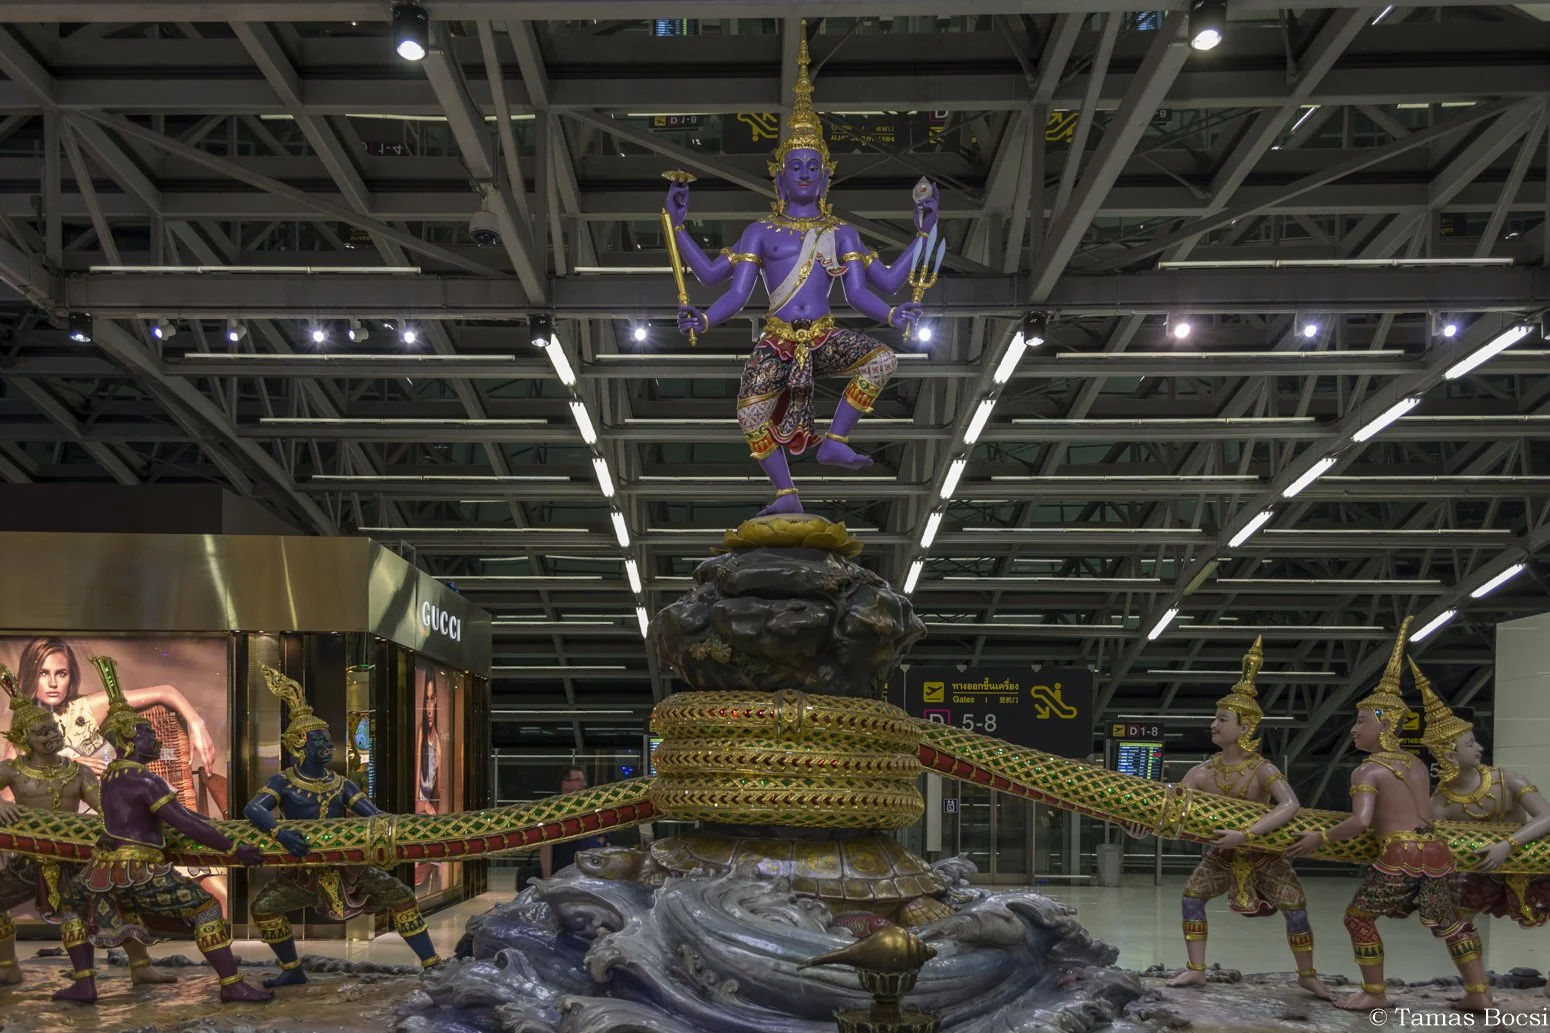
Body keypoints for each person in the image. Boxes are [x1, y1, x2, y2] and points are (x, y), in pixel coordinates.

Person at [666, 27, 927, 518]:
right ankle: (786, 492)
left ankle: (836, 441)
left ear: (826, 176)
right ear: (779, 176)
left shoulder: (840, 231)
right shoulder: (760, 231)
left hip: (825, 336)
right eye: (796, 166)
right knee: (750, 413)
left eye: (813, 166)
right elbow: (720, 283)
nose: (804, 173)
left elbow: (877, 287)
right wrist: (679, 232)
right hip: (778, 339)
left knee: (882, 360)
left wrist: (921, 241)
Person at [1286, 618, 1490, 1013]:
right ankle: (1479, 992)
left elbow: (1361, 822)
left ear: (1386, 722)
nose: (1353, 730)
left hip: (1400, 857)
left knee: (1358, 918)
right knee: (1450, 922)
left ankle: (1374, 991)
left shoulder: (1367, 771)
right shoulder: (1416, 764)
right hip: (1437, 853)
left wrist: (1319, 838)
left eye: (1361, 721)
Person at [52, 655, 271, 1005]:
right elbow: (183, 821)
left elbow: (172, 819)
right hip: (138, 871)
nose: (154, 738)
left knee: (71, 906)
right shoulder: (145, 780)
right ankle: (231, 983)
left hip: (100, 872)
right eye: (147, 733)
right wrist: (233, 849)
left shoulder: (111, 777)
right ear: (129, 741)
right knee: (206, 908)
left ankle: (86, 983)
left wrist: (222, 830)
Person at [1127, 638, 1330, 998]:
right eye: (1215, 718)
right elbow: (1173, 812)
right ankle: (1196, 970)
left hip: (1264, 854)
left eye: (1222, 720)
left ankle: (1307, 974)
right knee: (1192, 898)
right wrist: (1142, 829)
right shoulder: (1200, 773)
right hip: (1222, 855)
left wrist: (1246, 834)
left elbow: (1290, 805)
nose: (1213, 724)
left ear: (1245, 727)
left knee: (1296, 907)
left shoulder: (1262, 769)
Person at [243, 665, 440, 987]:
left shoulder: (341, 783)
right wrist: (281, 833)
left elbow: (373, 814)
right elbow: (253, 808)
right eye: (320, 740)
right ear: (300, 744)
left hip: (348, 868)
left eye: (328, 739)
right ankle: (292, 968)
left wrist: (407, 826)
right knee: (263, 908)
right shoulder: (283, 782)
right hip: (302, 869)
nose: (327, 745)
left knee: (402, 896)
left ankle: (432, 964)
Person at [0, 668, 173, 986]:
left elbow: (105, 809)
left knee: (118, 902)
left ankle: (139, 966)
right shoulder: (12, 770)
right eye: (42, 733)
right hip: (29, 859)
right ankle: (8, 965)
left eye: (54, 729)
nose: (52, 736)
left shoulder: (78, 773)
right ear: (24, 739)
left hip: (75, 856)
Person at [1418, 656, 1550, 994]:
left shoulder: (1507, 780)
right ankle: (1477, 989)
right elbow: (1429, 836)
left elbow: (1547, 816)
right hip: (1480, 867)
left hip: (1529, 859)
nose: (1479, 748)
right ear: (1449, 756)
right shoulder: (1441, 801)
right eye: (1470, 744)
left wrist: (1508, 845)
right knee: (1454, 918)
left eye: (1475, 742)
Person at [3, 637, 217, 778]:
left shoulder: (87, 708)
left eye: (61, 673)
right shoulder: (20, 730)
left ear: (71, 676)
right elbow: (10, 799)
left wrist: (196, 723)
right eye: (43, 673)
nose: (52, 683)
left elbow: (165, 691)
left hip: (106, 814)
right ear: (30, 676)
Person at [539, 767, 608, 879]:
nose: (583, 784)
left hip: (588, 872)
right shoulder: (554, 811)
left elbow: (602, 831)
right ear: (565, 784)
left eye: (583, 780)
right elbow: (546, 846)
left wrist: (598, 842)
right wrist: (547, 877)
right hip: (563, 872)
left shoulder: (587, 808)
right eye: (578, 780)